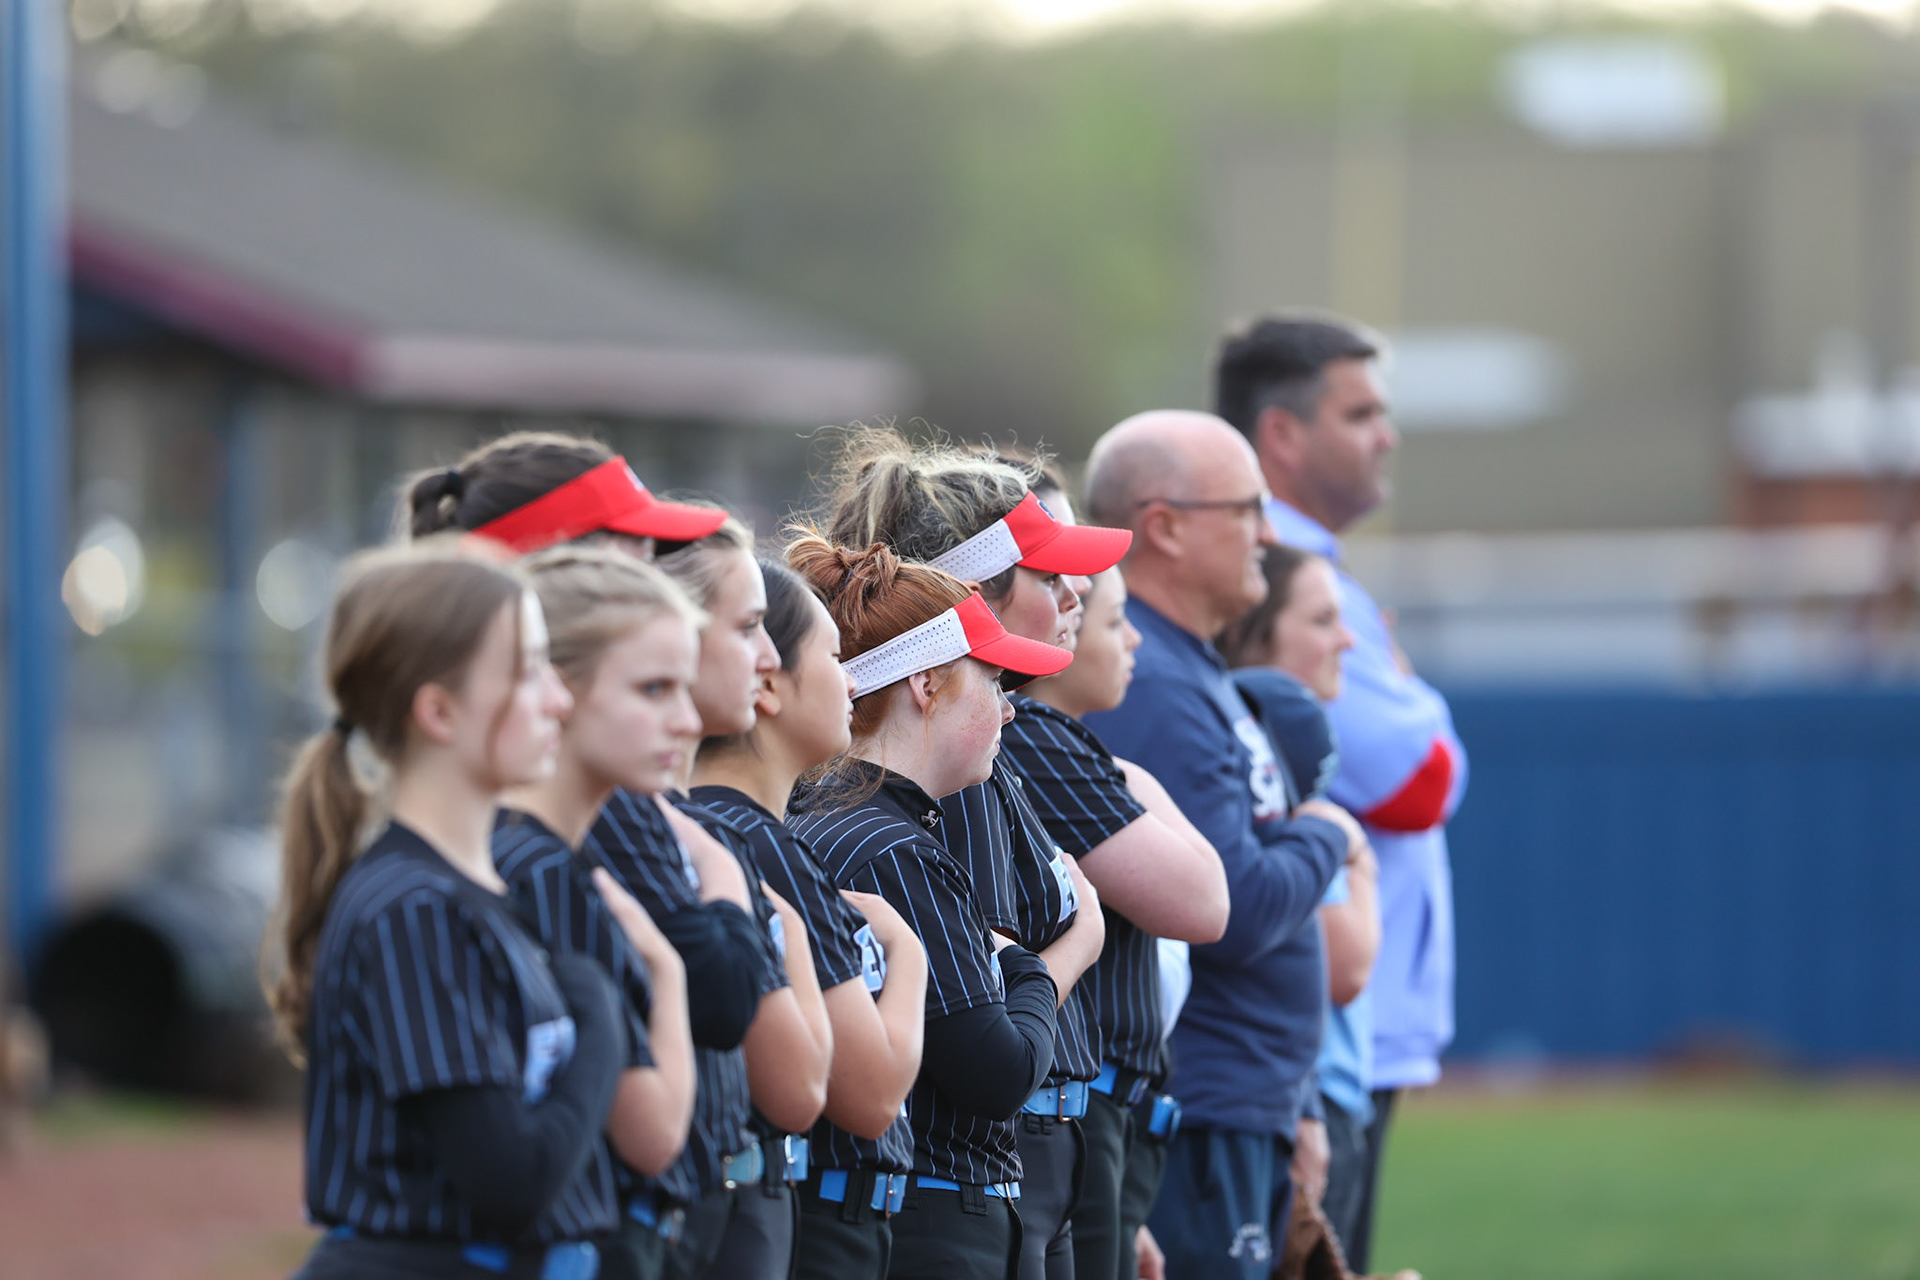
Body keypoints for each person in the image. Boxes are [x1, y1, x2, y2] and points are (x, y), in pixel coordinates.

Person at [409, 435, 805, 1280]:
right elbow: (709, 1033)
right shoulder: (540, 843)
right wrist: (721, 906)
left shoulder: (580, 820)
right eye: (635, 549)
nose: (653, 570)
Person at [824, 431, 1217, 1280]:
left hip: (1038, 1150)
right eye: (1047, 576)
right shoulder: (947, 771)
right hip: (987, 1158)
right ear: (972, 590)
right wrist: (1073, 947)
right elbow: (988, 1014)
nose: (1076, 591)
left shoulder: (983, 749)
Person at [268, 543, 626, 1279]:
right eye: (527, 671)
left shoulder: (477, 894)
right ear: (437, 709)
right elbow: (510, 1181)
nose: (559, 699)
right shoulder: (413, 910)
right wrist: (601, 1023)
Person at [1081, 411, 1365, 1280]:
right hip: (1203, 1113)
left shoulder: (1183, 666)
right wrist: (1326, 834)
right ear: (1163, 525)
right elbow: (1229, 911)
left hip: (1239, 1109)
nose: (1268, 534)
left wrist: (1297, 1100)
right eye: (1247, 509)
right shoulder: (1154, 682)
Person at [1216, 316, 1468, 1272]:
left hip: (1339, 1018)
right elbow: (1421, 780)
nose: (1385, 435)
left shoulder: (1303, 568)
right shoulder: (1282, 572)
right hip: (1318, 1021)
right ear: (1282, 433)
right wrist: (1422, 695)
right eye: (1360, 412)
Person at [784, 536, 1103, 1280]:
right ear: (926, 685)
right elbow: (1000, 1075)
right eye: (992, 680)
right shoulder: (894, 846)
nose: (1009, 710)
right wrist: (1034, 959)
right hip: (935, 1216)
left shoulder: (845, 818)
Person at [995, 477, 1228, 1280]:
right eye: (1054, 578)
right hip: (1075, 1108)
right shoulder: (1037, 738)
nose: (1078, 598)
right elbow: (1206, 902)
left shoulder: (1051, 741)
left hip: (1094, 1118)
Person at [690, 557, 930, 1280]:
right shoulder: (757, 844)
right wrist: (907, 951)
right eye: (832, 658)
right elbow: (873, 1093)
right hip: (814, 1224)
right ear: (767, 683)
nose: (852, 680)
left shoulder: (750, 832)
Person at [493, 548, 707, 1280]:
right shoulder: (545, 871)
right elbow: (653, 1131)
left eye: (686, 688)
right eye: (653, 689)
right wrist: (668, 974)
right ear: (559, 689)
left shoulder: (543, 857)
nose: (686, 719)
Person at [656, 518, 839, 1280]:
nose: (763, 658)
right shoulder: (727, 840)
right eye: (747, 628)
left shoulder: (717, 836)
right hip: (714, 1203)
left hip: (743, 1201)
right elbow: (809, 1086)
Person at [1219, 546, 1382, 1265]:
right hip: (1303, 1101)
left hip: (1310, 1096)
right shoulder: (1271, 776)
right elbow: (1347, 967)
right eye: (1321, 620)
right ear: (1257, 638)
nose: (1345, 640)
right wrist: (1357, 854)